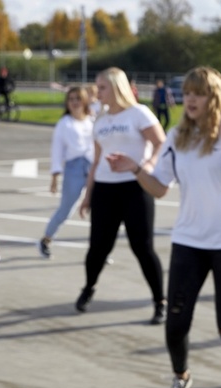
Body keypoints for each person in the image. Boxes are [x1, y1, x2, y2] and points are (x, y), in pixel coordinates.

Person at [109, 66, 221, 388]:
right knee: (176, 324)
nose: (190, 99)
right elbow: (160, 187)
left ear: (215, 99)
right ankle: (181, 375)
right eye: (187, 93)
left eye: (199, 93)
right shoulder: (177, 136)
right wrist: (134, 168)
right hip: (188, 241)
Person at [76, 67, 166, 325]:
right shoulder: (100, 121)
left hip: (135, 188)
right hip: (105, 188)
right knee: (98, 248)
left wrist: (147, 166)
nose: (97, 92)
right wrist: (87, 195)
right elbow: (95, 161)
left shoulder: (138, 113)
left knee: (143, 247)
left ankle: (160, 300)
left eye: (101, 87)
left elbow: (161, 142)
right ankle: (89, 286)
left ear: (116, 87)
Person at [38, 86, 95, 259]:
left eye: (78, 98)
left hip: (93, 167)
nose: (75, 102)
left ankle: (99, 250)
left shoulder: (92, 120)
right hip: (74, 168)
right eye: (71, 99)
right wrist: (54, 177)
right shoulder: (64, 124)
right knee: (66, 209)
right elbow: (57, 152)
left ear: (84, 100)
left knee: (100, 210)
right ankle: (47, 238)